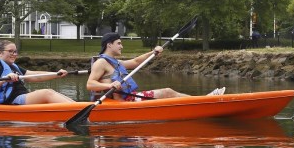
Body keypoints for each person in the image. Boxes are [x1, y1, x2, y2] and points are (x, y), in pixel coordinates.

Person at [86, 32, 225, 101]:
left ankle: (200, 101)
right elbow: (90, 84)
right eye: (119, 43)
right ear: (109, 45)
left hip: (130, 98)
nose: (122, 46)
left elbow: (135, 62)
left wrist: (153, 53)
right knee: (168, 92)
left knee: (168, 92)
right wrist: (109, 86)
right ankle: (203, 101)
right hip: (127, 101)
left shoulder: (114, 62)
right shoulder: (101, 62)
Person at [0, 40, 75, 105]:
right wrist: (5, 79)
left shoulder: (13, 66)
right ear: (0, 53)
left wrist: (56, 74)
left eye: (15, 52)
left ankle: (79, 107)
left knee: (52, 92)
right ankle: (77, 109)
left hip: (21, 97)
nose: (14, 54)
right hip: (10, 101)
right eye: (10, 51)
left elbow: (34, 76)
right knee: (46, 93)